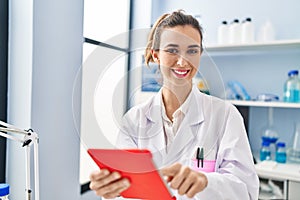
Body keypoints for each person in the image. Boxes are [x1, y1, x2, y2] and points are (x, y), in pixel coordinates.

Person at [89, 10, 259, 200]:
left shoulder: (226, 115)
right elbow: (125, 189)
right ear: (156, 55)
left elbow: (245, 190)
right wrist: (111, 189)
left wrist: (206, 182)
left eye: (192, 50)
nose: (182, 61)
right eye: (172, 50)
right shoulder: (134, 120)